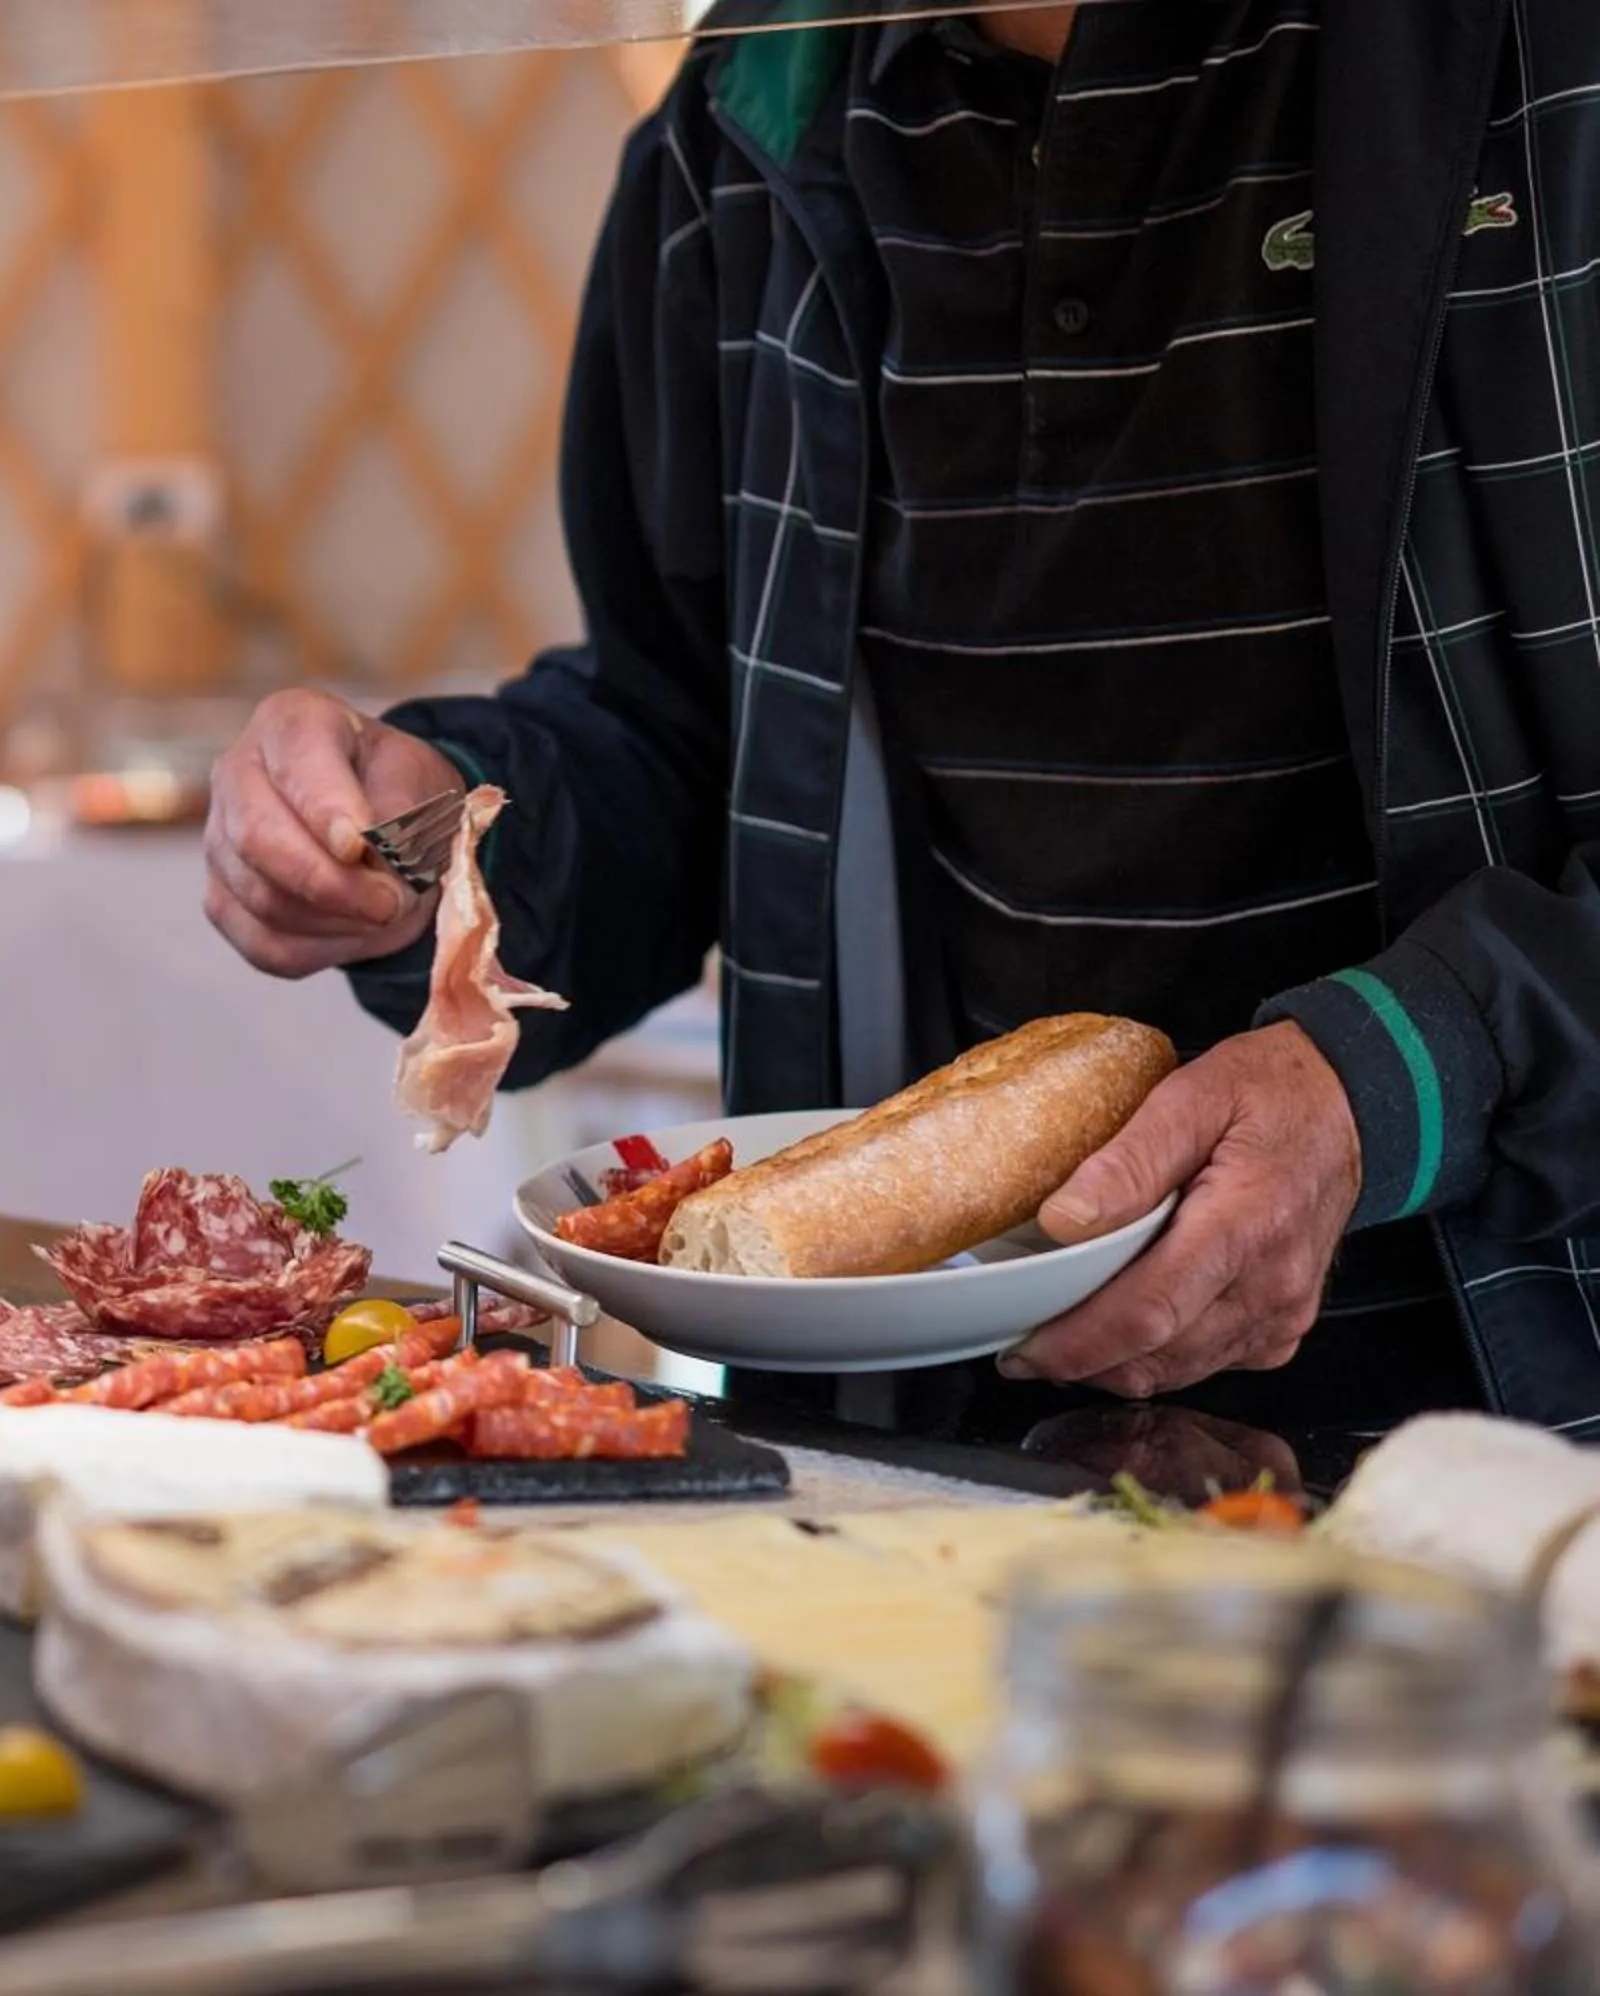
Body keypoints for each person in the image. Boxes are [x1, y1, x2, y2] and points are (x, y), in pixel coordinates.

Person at [205, 0, 1600, 1436]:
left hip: (1522, 1441)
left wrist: (1396, 1075)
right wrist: (433, 842)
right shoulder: (756, 116)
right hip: (945, 1456)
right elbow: (690, 734)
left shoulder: (1542, 64)